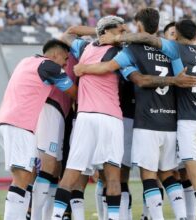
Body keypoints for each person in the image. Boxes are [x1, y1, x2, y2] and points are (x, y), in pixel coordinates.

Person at [74, 9, 196, 220]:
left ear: (139, 25)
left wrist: (83, 68)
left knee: (130, 173)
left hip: (141, 120)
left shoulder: (132, 49)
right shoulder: (171, 49)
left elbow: (112, 68)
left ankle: (127, 216)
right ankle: (181, 217)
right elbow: (187, 77)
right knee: (168, 174)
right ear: (158, 26)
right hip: (170, 120)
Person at [97, 19, 196, 219]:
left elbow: (146, 40)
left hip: (183, 120)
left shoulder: (175, 49)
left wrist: (116, 37)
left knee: (181, 174)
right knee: (189, 173)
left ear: (178, 35)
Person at [51, 15, 127, 220]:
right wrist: (98, 32)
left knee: (111, 175)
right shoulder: (96, 48)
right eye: (118, 30)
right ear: (104, 31)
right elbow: (67, 33)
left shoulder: (93, 48)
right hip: (102, 117)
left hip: (101, 117)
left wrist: (106, 33)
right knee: (74, 173)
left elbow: (68, 35)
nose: (122, 33)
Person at [0, 39, 77, 220]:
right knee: (22, 178)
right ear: (55, 54)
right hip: (19, 125)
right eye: (64, 59)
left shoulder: (26, 61)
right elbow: (74, 92)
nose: (65, 64)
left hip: (5, 122)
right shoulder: (50, 67)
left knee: (26, 174)